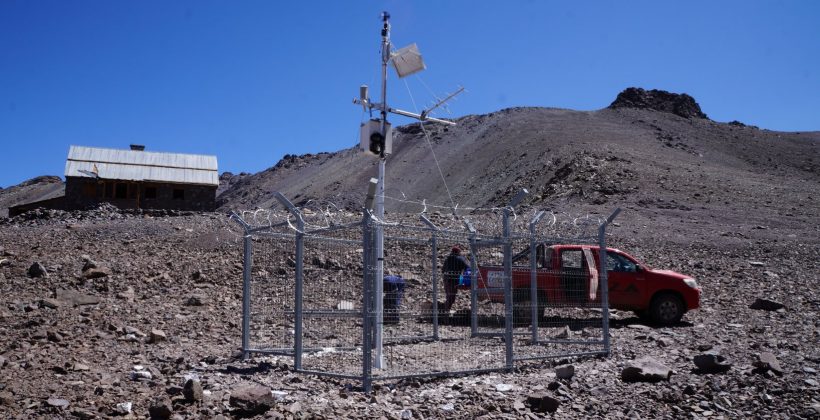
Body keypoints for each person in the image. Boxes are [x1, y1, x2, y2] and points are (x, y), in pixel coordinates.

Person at [442, 246, 470, 313]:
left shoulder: (447, 259)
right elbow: (468, 268)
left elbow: (443, 270)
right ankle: (445, 314)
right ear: (458, 252)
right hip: (454, 281)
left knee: (449, 297)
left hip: (446, 280)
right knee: (451, 298)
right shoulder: (460, 259)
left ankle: (444, 313)